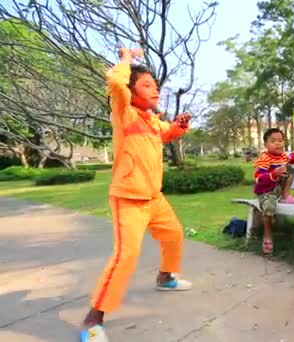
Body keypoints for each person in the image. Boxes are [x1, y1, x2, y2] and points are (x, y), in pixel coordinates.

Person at [81, 48, 193, 342]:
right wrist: (127, 60)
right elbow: (116, 83)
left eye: (156, 85)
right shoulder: (123, 111)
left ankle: (165, 277)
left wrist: (179, 126)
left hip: (154, 198)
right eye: (146, 85)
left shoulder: (152, 120)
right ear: (132, 92)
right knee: (126, 256)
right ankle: (94, 318)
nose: (155, 89)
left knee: (174, 235)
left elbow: (166, 132)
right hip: (128, 199)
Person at [254, 128, 294, 255]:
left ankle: (285, 195)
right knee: (268, 207)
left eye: (280, 140)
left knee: (290, 169)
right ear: (265, 144)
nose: (278, 143)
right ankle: (267, 235)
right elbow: (259, 179)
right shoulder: (264, 159)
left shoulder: (284, 156)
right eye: (273, 141)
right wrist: (273, 173)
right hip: (266, 191)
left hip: (278, 189)